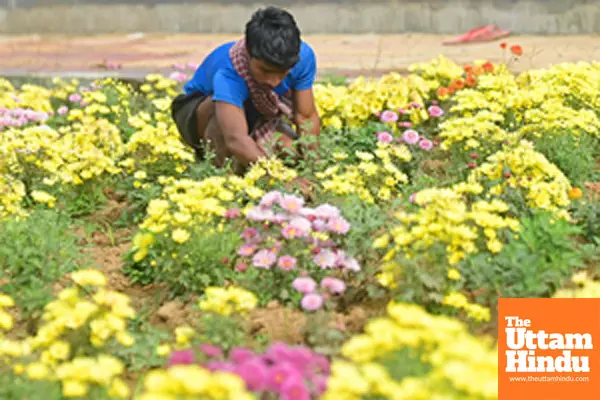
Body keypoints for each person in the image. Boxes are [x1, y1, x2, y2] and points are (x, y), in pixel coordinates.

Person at [171, 6, 321, 174]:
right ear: (249, 53)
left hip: (253, 112)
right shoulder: (229, 72)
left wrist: (313, 168)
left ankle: (251, 156)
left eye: (283, 73)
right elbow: (236, 138)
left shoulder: (303, 58)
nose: (273, 81)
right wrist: (281, 179)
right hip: (200, 113)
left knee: (291, 152)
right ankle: (223, 173)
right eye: (265, 71)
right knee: (228, 134)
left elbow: (306, 117)